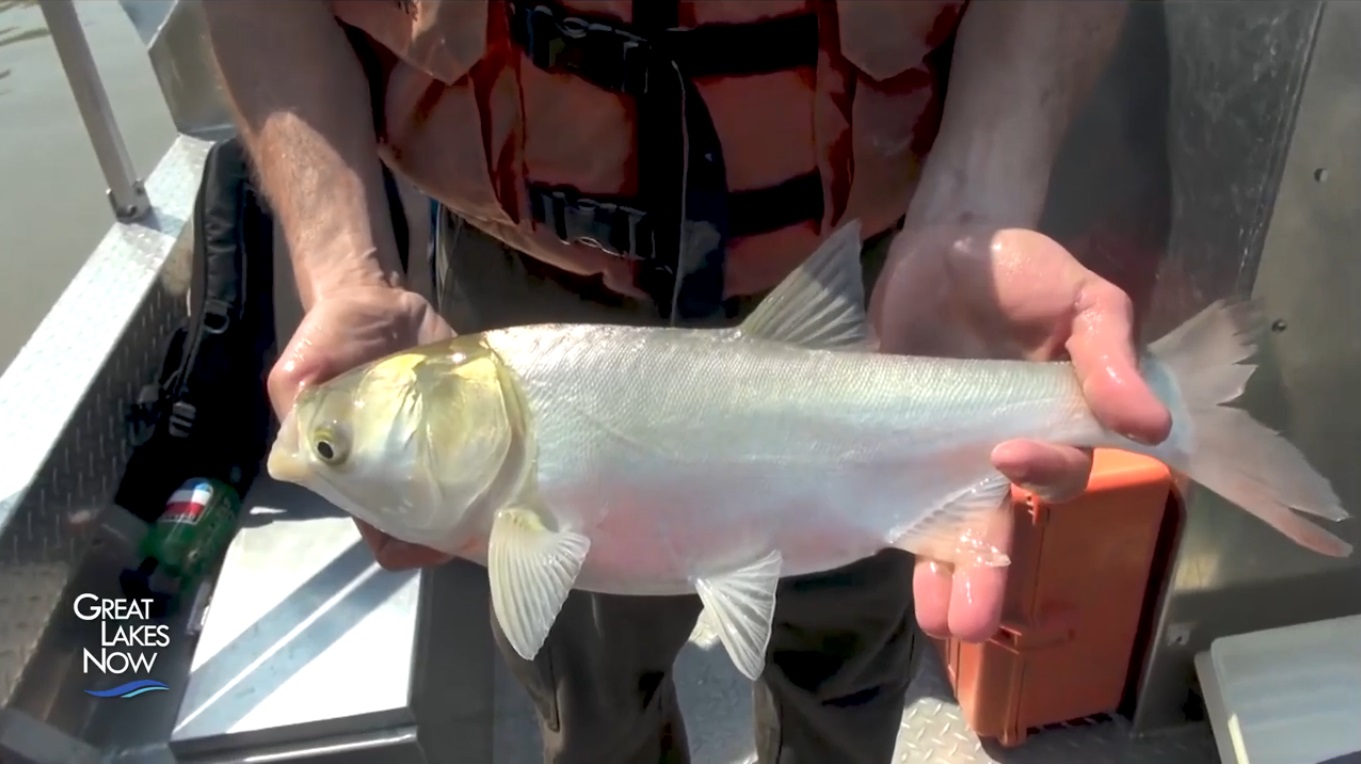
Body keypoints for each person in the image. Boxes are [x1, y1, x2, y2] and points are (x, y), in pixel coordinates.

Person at [205, 0, 1170, 762]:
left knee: (849, 656)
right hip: (520, 285)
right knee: (586, 692)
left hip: (904, 268)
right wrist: (346, 270)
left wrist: (980, 204)